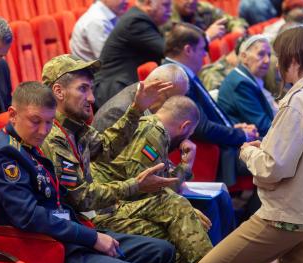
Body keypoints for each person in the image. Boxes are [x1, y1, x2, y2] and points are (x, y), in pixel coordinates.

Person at [0, 81, 176, 263]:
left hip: (69, 235)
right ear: (13, 114)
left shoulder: (28, 143)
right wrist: (91, 238)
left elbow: (59, 195)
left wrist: (88, 233)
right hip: (47, 249)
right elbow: (29, 216)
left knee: (163, 252)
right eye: (35, 121)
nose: (43, 130)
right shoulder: (5, 153)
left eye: (48, 122)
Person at [193, 24, 303, 263]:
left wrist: (248, 152)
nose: (275, 64)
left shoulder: (298, 103)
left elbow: (273, 168)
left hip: (285, 215)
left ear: (292, 60)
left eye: (277, 57)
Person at [92, 96, 213, 263]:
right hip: (105, 209)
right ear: (185, 126)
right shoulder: (152, 133)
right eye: (190, 133)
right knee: (181, 214)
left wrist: (184, 166)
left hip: (118, 204)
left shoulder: (150, 127)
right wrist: (188, 210)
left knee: (181, 236)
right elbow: (146, 188)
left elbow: (161, 184)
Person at [163, 23, 257, 187]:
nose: (206, 54)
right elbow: (201, 128)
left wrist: (235, 128)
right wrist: (242, 136)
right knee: (275, 162)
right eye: (203, 49)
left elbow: (210, 113)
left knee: (275, 156)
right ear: (188, 50)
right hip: (218, 151)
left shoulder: (183, 71)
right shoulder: (175, 77)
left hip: (223, 142)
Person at [93, 0, 172, 109]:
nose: (170, 10)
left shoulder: (138, 18)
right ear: (149, 3)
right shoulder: (136, 21)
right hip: (113, 92)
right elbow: (169, 52)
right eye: (166, 5)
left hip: (123, 87)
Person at [92, 63, 189, 132]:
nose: (173, 107)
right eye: (170, 100)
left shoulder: (147, 104)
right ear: (154, 87)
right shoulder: (118, 112)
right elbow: (104, 157)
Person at [218, 35, 276, 137]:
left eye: (269, 55)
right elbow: (262, 126)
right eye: (261, 54)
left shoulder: (246, 76)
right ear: (244, 57)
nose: (267, 60)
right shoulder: (241, 84)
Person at [163, 0, 247, 42]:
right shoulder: (165, 15)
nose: (191, 1)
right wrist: (206, 36)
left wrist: (237, 29)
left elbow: (233, 20)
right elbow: (177, 50)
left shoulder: (201, 7)